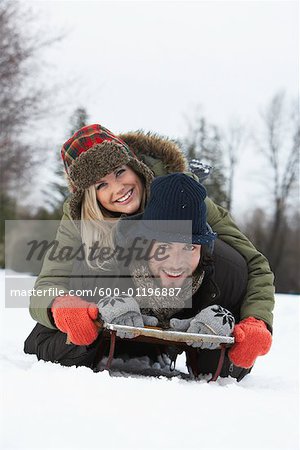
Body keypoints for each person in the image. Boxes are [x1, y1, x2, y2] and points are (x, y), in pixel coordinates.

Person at [24, 124, 274, 375]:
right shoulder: (80, 216)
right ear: (90, 195)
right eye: (101, 185)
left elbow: (254, 263)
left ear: (134, 166)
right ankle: (106, 340)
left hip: (182, 302)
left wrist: (257, 321)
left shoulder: (181, 194)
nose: (118, 188)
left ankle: (209, 340)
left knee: (222, 254)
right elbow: (49, 282)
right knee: (84, 263)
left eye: (120, 172)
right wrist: (60, 305)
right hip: (115, 302)